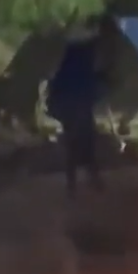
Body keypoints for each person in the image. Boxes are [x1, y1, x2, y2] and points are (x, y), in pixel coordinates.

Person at [47, 38, 103, 196]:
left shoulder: (65, 71)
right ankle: (92, 180)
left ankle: (73, 184)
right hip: (82, 114)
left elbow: (55, 93)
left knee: (73, 149)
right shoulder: (85, 70)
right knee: (87, 147)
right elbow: (94, 92)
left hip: (70, 115)